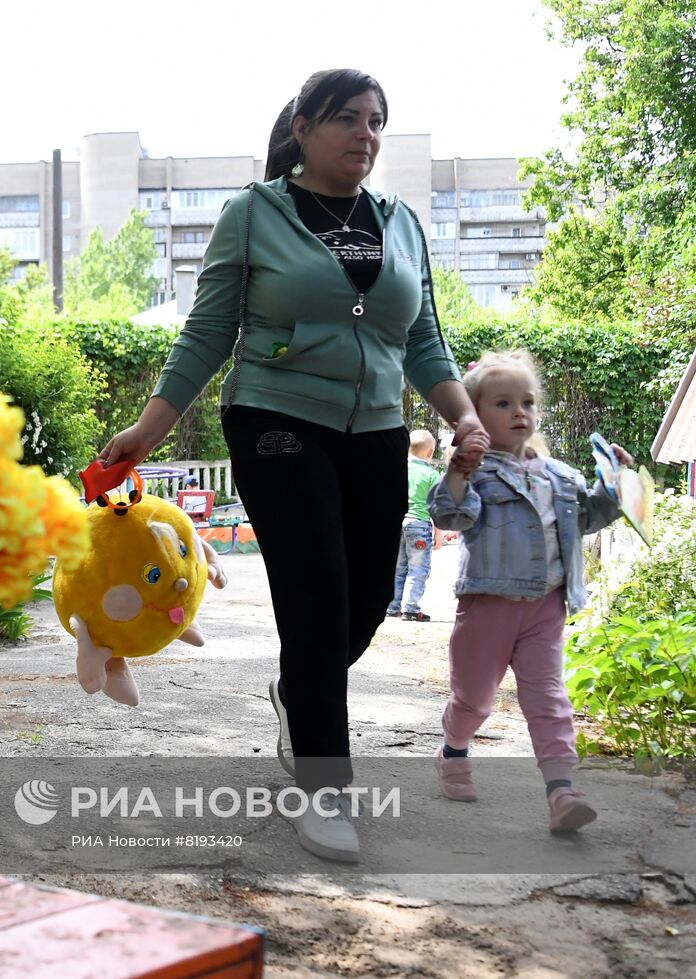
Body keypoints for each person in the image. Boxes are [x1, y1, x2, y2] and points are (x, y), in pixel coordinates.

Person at [97, 68, 488, 863]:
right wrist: (149, 426)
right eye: (346, 119)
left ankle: (300, 689)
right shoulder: (254, 213)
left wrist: (464, 413)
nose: (365, 134)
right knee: (316, 591)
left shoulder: (402, 222)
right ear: (303, 127)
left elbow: (422, 340)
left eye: (376, 121)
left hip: (377, 425)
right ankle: (325, 786)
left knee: (369, 595)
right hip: (277, 417)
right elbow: (206, 333)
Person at [428, 350, 628, 832]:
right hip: (488, 604)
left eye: (528, 402)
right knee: (474, 698)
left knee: (548, 697)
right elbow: (449, 516)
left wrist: (617, 485)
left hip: (546, 605)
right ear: (474, 416)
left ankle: (562, 791)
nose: (520, 412)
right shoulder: (477, 473)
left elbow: (588, 518)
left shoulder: (560, 476)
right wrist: (457, 470)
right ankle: (453, 750)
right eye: (502, 403)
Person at [386, 429, 442, 621]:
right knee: (418, 568)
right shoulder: (431, 474)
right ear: (430, 452)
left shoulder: (397, 469)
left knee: (399, 566)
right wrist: (439, 535)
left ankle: (392, 606)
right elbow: (437, 507)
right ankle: (410, 608)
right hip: (419, 525)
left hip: (399, 522)